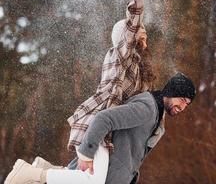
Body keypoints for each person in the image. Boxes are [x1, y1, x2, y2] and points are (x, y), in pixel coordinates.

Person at [5, 72, 196, 184]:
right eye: (182, 100)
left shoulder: (156, 114)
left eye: (187, 104)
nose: (182, 107)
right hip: (107, 162)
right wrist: (86, 154)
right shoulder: (147, 108)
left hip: (114, 171)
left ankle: (41, 170)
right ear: (172, 92)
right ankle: (33, 174)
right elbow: (105, 118)